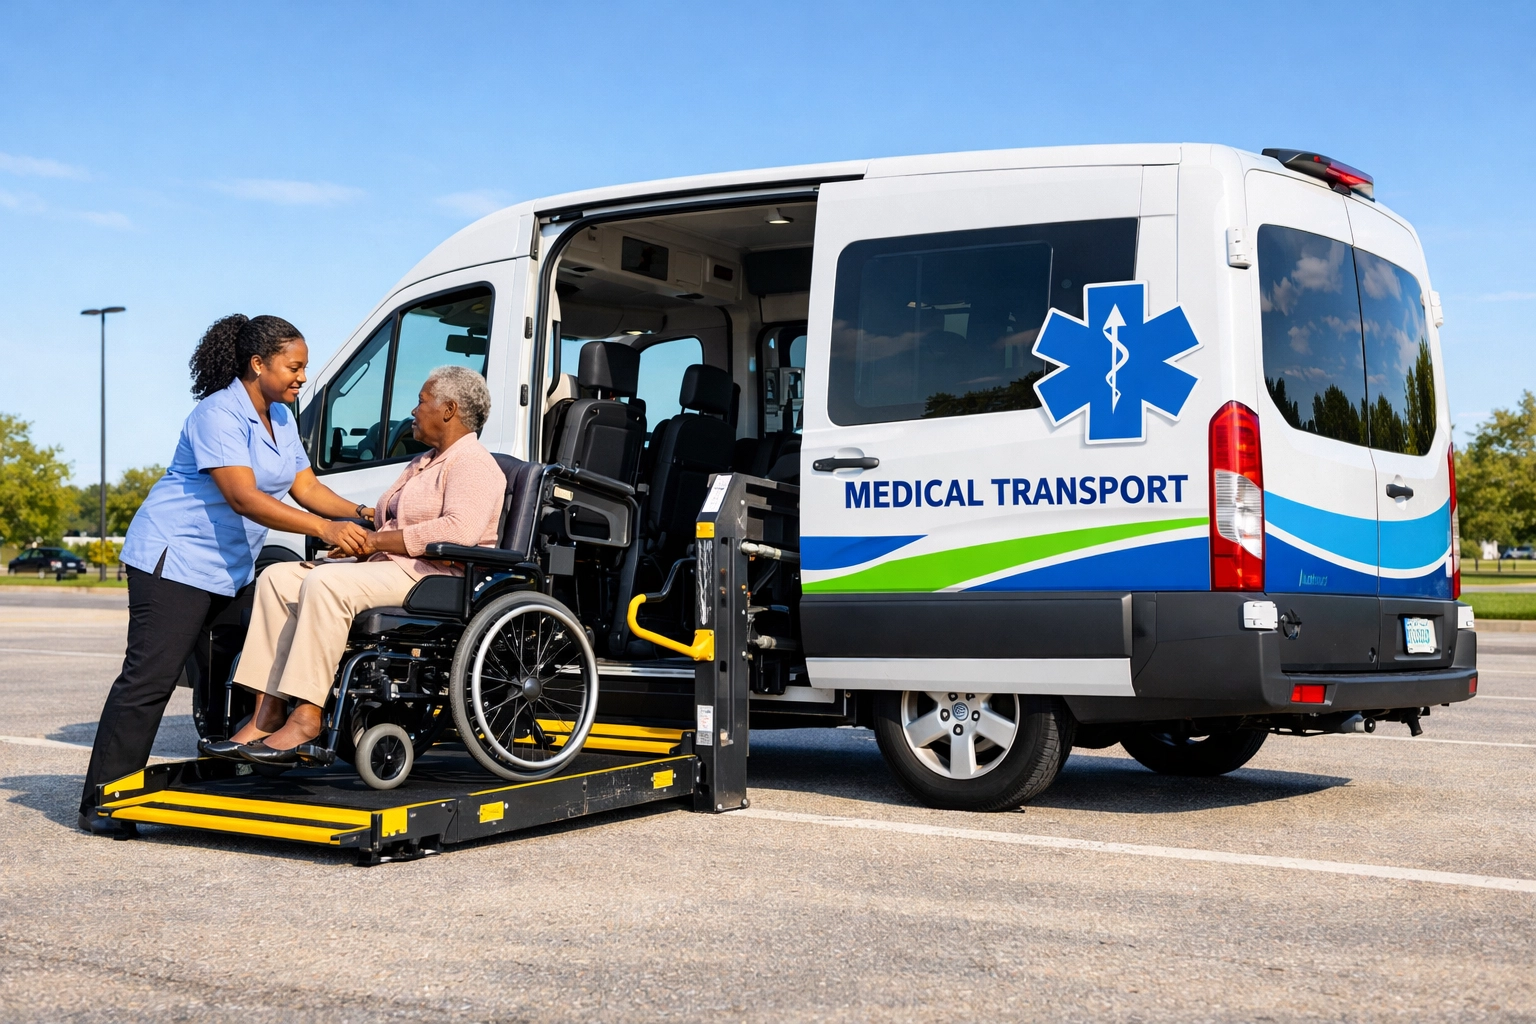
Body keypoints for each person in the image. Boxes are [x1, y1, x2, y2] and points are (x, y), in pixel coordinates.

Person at [80, 315, 372, 836]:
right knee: (150, 679)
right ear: (258, 364)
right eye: (294, 367)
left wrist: (363, 514)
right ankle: (103, 800)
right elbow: (244, 497)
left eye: (304, 367)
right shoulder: (217, 414)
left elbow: (306, 487)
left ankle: (223, 769)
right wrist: (325, 529)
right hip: (175, 559)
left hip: (228, 568)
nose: (302, 377)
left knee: (237, 667)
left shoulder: (280, 417)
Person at [211, 365, 505, 763]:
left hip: (434, 577)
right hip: (393, 566)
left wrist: (375, 542)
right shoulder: (424, 462)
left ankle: (307, 716)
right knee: (278, 578)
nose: (413, 410)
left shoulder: (472, 463)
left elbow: (459, 531)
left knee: (327, 585)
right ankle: (267, 713)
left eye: (421, 401)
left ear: (449, 409)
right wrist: (357, 543)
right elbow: (388, 522)